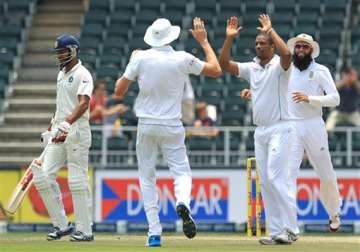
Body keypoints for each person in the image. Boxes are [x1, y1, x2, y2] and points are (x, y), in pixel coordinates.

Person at [114, 17, 222, 247]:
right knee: (182, 172)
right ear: (171, 36)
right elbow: (216, 70)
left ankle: (154, 233)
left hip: (146, 125)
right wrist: (203, 42)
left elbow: (118, 92)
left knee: (146, 177)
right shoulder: (182, 58)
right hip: (172, 124)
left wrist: (131, 63)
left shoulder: (141, 58)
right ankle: (182, 202)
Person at [219, 15, 295, 245]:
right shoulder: (251, 68)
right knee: (265, 182)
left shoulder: (280, 66)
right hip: (260, 131)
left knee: (275, 176)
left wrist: (270, 30)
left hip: (281, 127)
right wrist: (229, 39)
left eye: (263, 43)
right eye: (257, 43)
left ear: (271, 46)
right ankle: (275, 232)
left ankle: (290, 229)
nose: (259, 45)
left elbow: (288, 54)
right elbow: (224, 65)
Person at [30, 34, 94, 241]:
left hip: (77, 131)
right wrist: (52, 125)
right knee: (44, 177)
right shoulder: (61, 74)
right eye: (58, 52)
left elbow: (83, 103)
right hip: (59, 130)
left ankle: (85, 231)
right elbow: (62, 104)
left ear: (74, 51)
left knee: (76, 180)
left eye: (63, 51)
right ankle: (62, 225)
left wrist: (67, 123)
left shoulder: (83, 73)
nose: (59, 56)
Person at [286, 33, 342, 234]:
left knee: (325, 173)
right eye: (298, 47)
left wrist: (310, 98)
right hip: (291, 126)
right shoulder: (286, 68)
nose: (300, 50)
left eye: (304, 47)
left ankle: (334, 213)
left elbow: (335, 99)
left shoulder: (320, 70)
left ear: (311, 50)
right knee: (288, 175)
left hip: (313, 125)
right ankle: (289, 224)